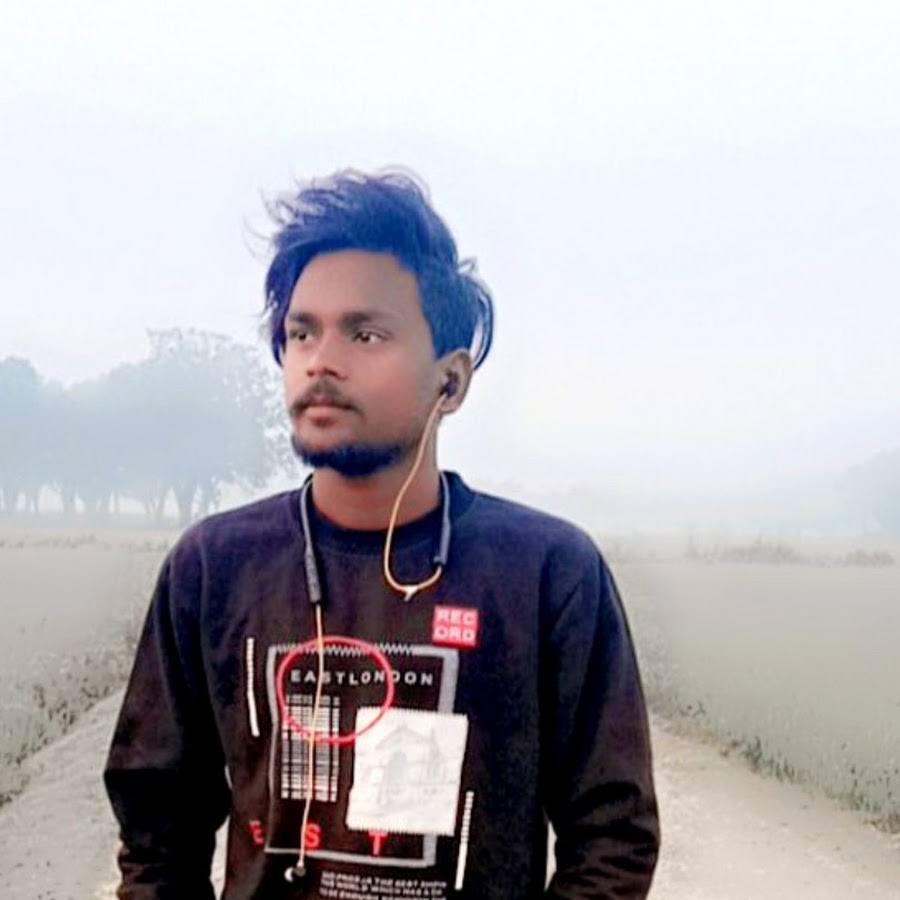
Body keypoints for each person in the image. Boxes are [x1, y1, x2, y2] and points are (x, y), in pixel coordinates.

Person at [104, 169, 660, 899]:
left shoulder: (546, 572)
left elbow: (613, 833)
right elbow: (157, 831)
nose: (321, 360)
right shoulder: (214, 567)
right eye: (302, 332)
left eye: (365, 333)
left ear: (450, 382)